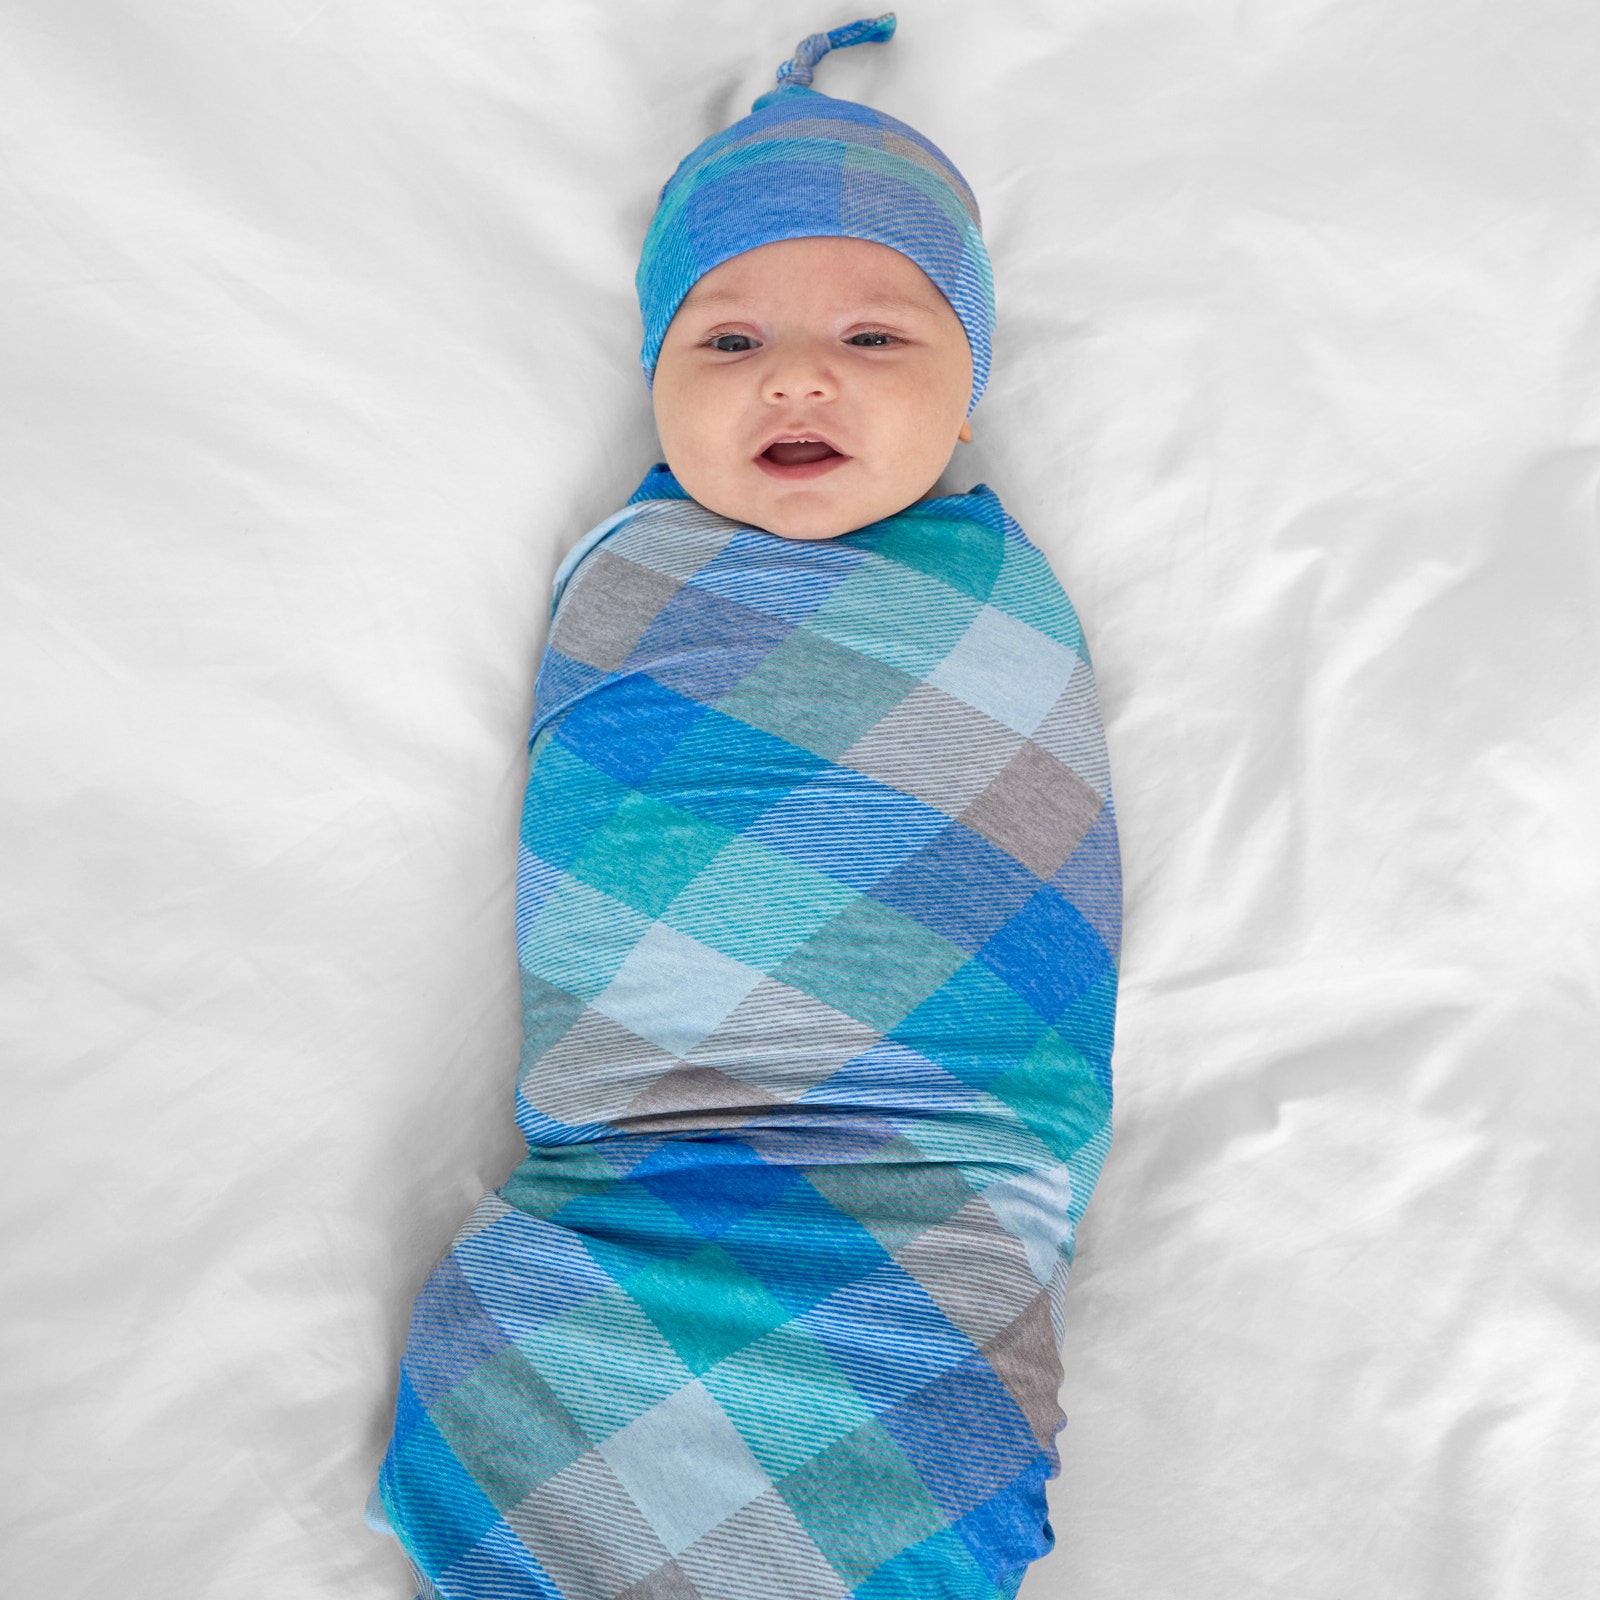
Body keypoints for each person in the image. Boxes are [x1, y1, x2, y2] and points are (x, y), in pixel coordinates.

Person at [369, 16, 1121, 1599]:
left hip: (936, 1166)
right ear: (655, 383)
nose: (795, 373)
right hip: (644, 1144)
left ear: (970, 394)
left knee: (926, 1397)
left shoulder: (1000, 602)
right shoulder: (638, 581)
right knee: (508, 1350)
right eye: (724, 345)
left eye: (875, 339)